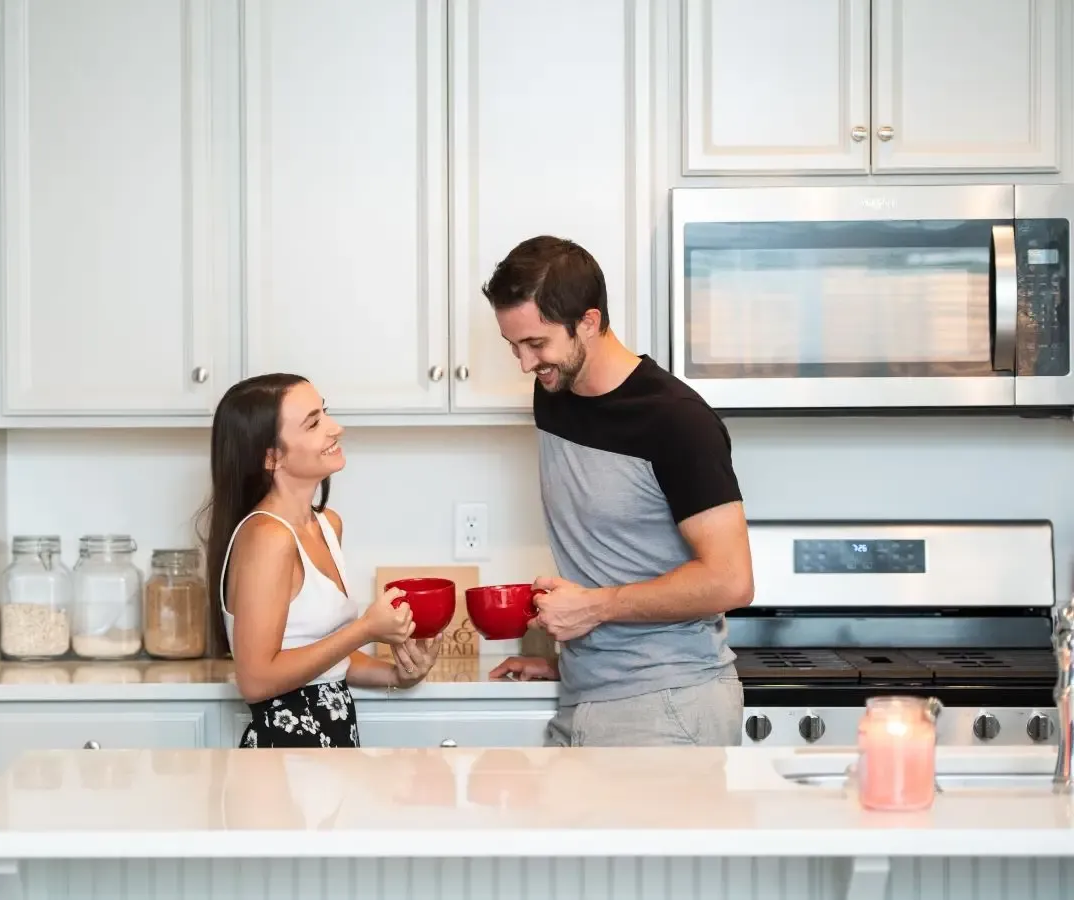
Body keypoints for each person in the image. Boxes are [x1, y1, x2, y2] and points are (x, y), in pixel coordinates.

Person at [482, 236, 754, 747]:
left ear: (588, 322)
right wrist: (564, 663)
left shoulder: (676, 421)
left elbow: (731, 580)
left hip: (670, 705)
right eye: (512, 346)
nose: (524, 364)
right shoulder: (555, 393)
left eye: (536, 343)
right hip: (589, 692)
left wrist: (595, 607)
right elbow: (616, 557)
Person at [200, 373, 442, 748]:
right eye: (314, 423)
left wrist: (399, 674)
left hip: (332, 746)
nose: (335, 428)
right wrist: (364, 629)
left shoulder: (327, 525)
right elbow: (256, 680)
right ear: (271, 456)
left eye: (325, 413)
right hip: (282, 755)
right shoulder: (268, 537)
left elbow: (325, 659)